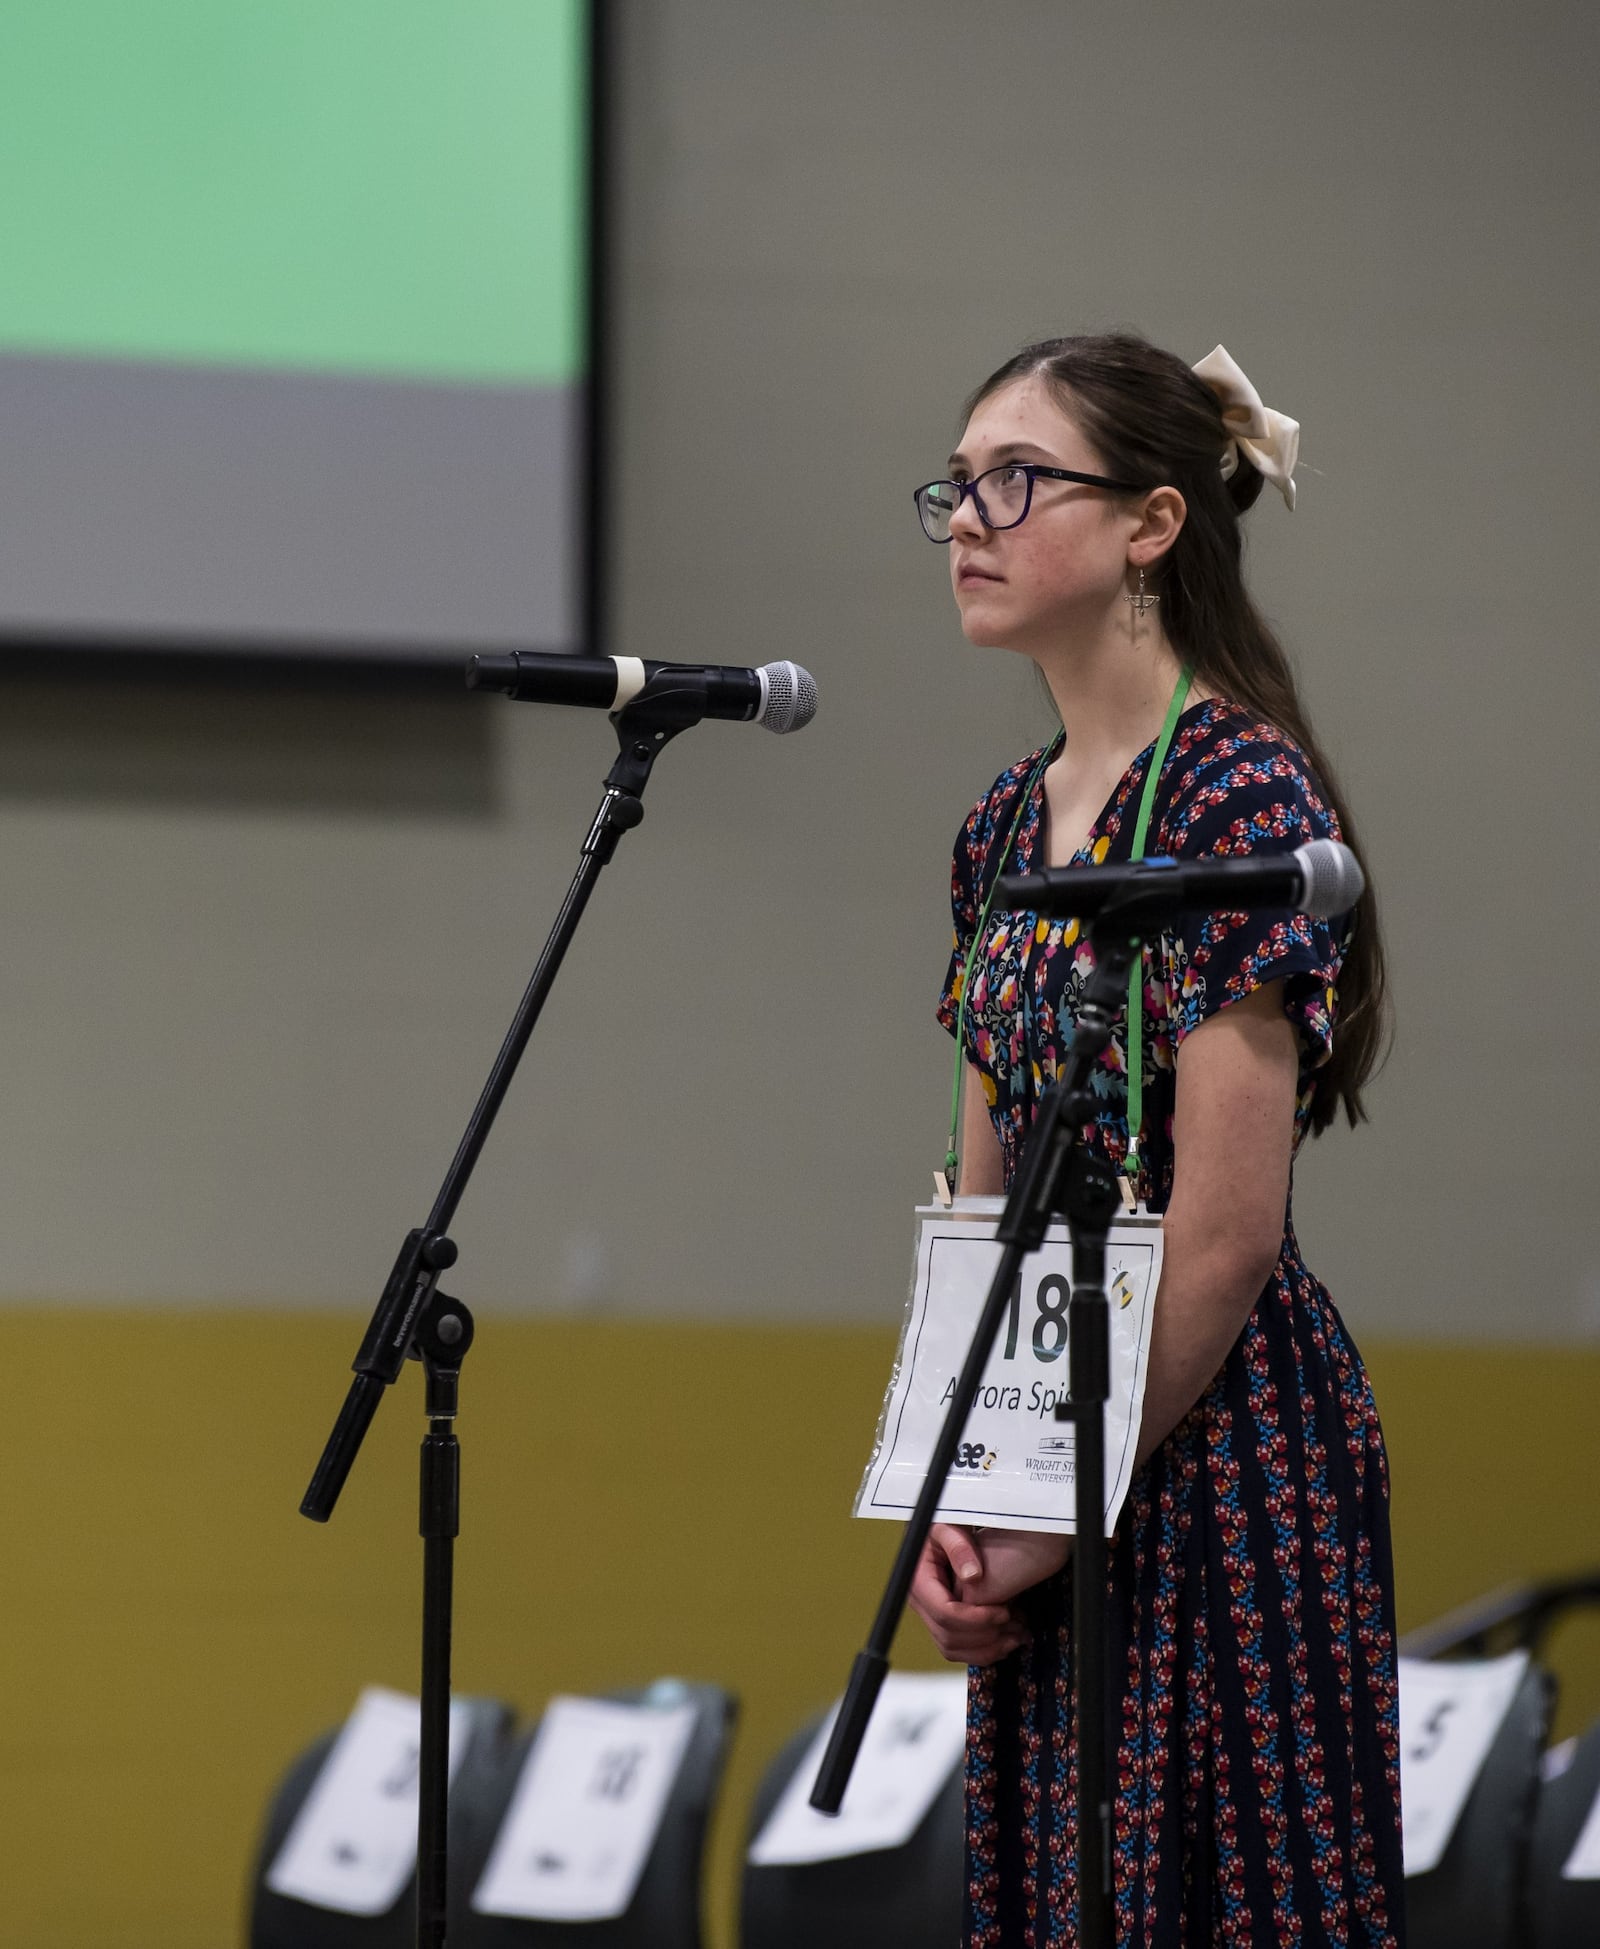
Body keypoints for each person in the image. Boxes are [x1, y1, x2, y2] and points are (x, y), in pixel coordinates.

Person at [906, 333, 1405, 1947]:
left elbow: (1225, 1231)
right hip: (1054, 1444)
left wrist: (1059, 1502)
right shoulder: (998, 822)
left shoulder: (1239, 796)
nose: (968, 517)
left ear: (1153, 524)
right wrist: (960, 1497)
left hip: (1215, 1447)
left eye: (1016, 479)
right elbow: (982, 1202)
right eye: (958, 485)